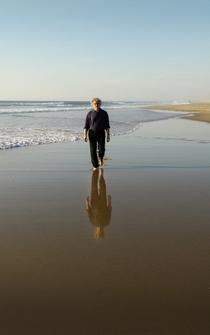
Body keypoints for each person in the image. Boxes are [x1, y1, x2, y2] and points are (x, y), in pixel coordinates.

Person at [84, 98, 110, 170]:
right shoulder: (89, 114)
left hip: (101, 133)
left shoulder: (104, 113)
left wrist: (108, 135)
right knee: (93, 150)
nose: (96, 105)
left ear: (100, 104)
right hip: (92, 133)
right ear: (92, 104)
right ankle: (95, 166)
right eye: (95, 103)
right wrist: (85, 135)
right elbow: (86, 126)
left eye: (98, 103)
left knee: (101, 149)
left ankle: (101, 158)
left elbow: (107, 126)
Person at [85, 169, 112, 239]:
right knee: (103, 188)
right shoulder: (106, 222)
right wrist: (109, 201)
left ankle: (95, 172)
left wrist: (87, 202)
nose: (99, 232)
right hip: (103, 203)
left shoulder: (93, 223)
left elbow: (89, 211)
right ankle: (101, 176)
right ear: (103, 232)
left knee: (94, 186)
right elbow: (109, 210)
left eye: (98, 233)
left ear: (96, 232)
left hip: (94, 203)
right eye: (101, 233)